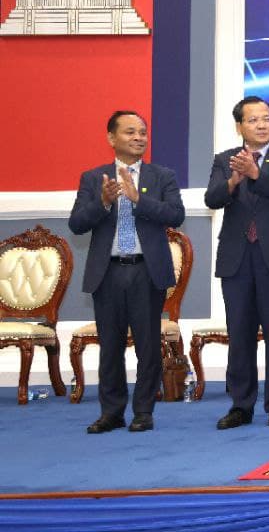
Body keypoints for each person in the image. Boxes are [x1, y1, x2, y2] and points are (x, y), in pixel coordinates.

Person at [68, 111, 185, 434]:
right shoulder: (94, 178)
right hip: (107, 272)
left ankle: (143, 411)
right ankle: (112, 412)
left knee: (148, 346)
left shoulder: (162, 176)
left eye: (142, 132)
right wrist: (103, 204)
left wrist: (138, 199)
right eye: (130, 132)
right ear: (111, 138)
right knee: (110, 347)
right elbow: (77, 224)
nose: (138, 138)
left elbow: (176, 215)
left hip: (146, 270)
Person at [205, 96, 269, 429]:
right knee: (240, 334)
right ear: (239, 126)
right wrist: (233, 181)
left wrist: (256, 173)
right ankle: (241, 405)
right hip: (237, 258)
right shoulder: (224, 160)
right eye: (253, 120)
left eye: (267, 118)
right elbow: (212, 198)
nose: (262, 125)